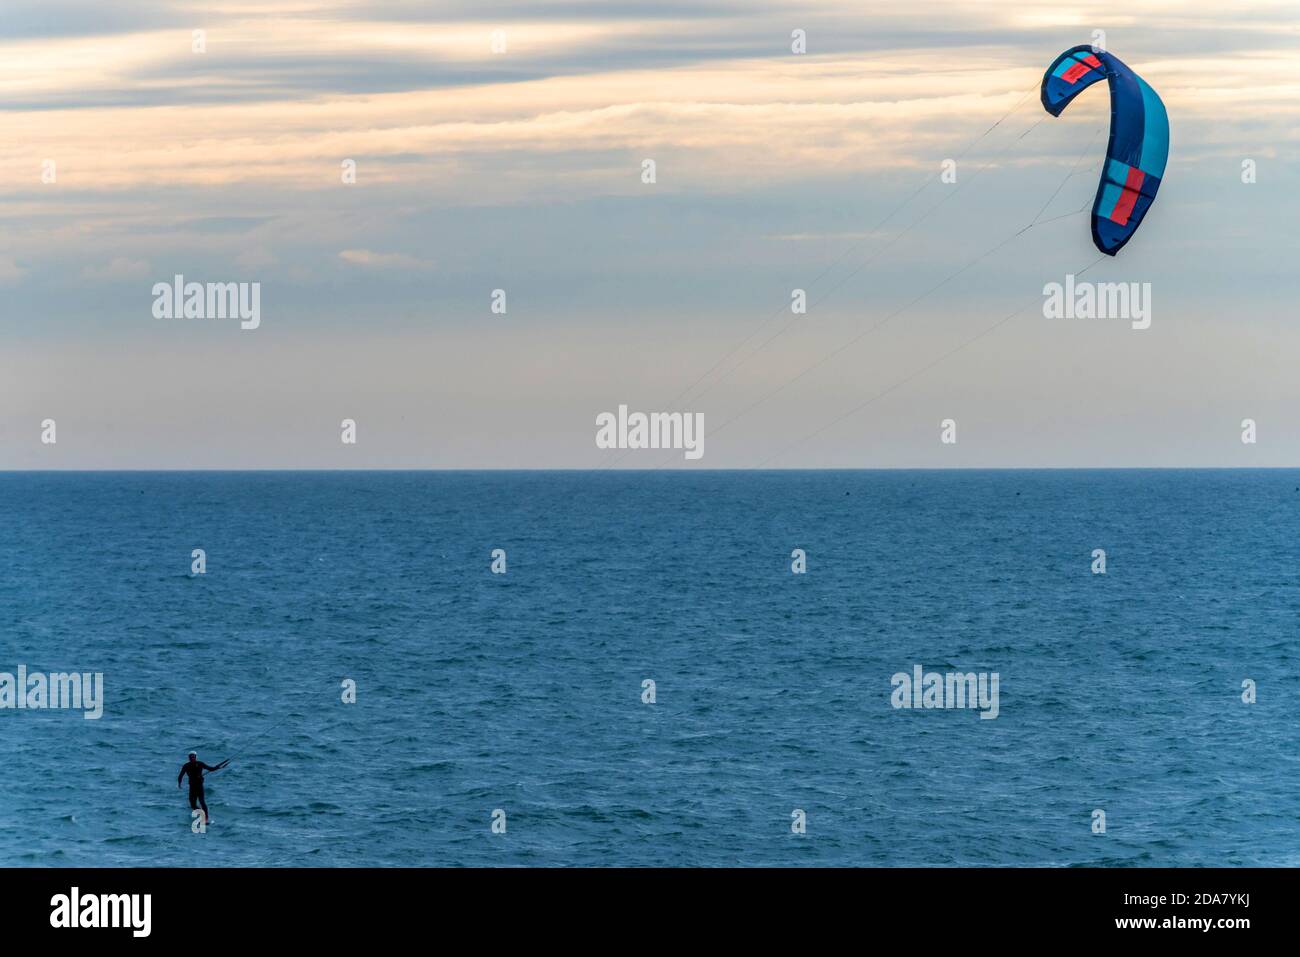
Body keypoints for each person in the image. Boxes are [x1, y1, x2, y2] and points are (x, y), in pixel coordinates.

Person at [177, 752, 229, 823]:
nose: (192, 758)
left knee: (202, 801)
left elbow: (211, 769)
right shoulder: (186, 766)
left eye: (193, 757)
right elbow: (181, 775)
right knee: (193, 805)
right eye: (191, 757)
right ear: (189, 758)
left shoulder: (200, 764)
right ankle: (202, 814)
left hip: (199, 786)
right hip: (192, 787)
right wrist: (179, 783)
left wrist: (219, 767)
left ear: (195, 757)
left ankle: (206, 818)